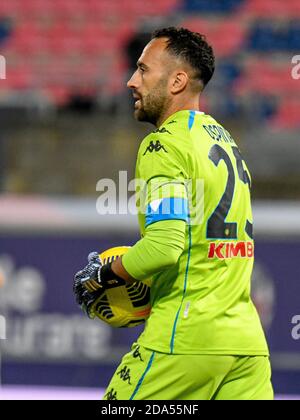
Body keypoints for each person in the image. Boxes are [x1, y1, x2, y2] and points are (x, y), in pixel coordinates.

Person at [73, 27, 273, 400]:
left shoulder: (163, 145)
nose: (131, 81)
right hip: (246, 346)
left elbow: (165, 246)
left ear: (177, 80)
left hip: (184, 341)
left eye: (143, 70)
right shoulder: (222, 139)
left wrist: (102, 274)